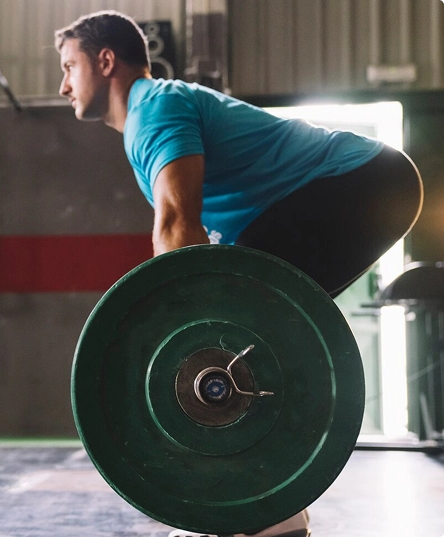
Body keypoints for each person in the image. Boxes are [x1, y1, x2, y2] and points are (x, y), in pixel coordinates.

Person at [55, 10, 423, 537]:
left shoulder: (154, 109)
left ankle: (267, 511)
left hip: (361, 185)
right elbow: (204, 241)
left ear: (105, 60)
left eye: (70, 66)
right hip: (360, 190)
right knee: (250, 331)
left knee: (238, 326)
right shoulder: (150, 117)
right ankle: (274, 512)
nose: (63, 83)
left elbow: (177, 227)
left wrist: (179, 338)